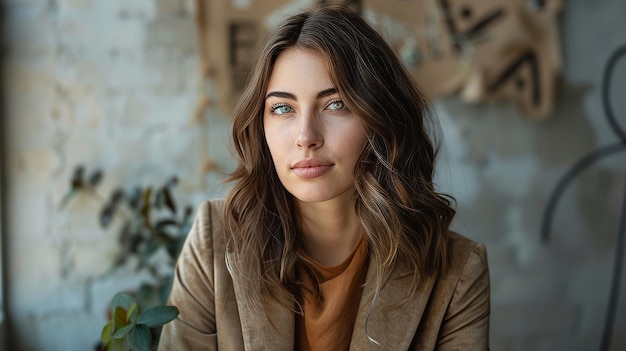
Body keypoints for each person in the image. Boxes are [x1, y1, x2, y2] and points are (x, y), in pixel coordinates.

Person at [159, 4, 489, 350]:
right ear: (261, 126)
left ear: (381, 119)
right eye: (283, 108)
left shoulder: (458, 271)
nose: (306, 136)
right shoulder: (215, 240)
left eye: (336, 104)